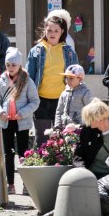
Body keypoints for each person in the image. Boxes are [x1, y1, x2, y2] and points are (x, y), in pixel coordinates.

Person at [0, 47, 39, 194]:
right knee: (8, 154)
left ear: (20, 65)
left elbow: (35, 102)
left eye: (14, 65)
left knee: (24, 153)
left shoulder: (27, 80)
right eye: (8, 65)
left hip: (22, 122)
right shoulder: (1, 81)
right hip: (6, 122)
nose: (11, 68)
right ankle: (10, 183)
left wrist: (22, 113)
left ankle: (26, 184)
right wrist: (0, 111)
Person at [26, 13, 78, 146]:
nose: (52, 33)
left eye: (56, 30)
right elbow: (29, 78)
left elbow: (77, 77)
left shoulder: (69, 52)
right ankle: (41, 164)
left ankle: (59, 164)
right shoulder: (36, 51)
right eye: (49, 30)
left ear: (62, 32)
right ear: (45, 31)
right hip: (40, 100)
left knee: (61, 138)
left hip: (62, 100)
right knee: (42, 138)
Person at [54, 64, 93, 128]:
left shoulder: (85, 92)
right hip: (65, 129)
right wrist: (57, 126)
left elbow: (91, 111)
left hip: (79, 128)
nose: (68, 81)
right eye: (66, 78)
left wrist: (82, 125)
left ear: (80, 79)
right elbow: (59, 111)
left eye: (71, 78)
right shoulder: (64, 93)